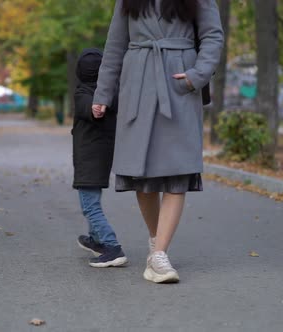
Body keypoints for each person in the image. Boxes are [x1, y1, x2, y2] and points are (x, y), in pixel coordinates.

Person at [92, 0, 223, 283]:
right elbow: (115, 46)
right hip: (137, 86)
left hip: (179, 87)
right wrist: (103, 94)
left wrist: (196, 76)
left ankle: (160, 255)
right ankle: (156, 242)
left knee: (178, 170)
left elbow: (213, 36)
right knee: (142, 172)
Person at [72, 48, 128, 268]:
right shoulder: (112, 91)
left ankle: (112, 246)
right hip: (102, 157)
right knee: (92, 200)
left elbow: (87, 106)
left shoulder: (83, 92)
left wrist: (94, 108)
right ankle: (95, 240)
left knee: (90, 206)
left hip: (88, 159)